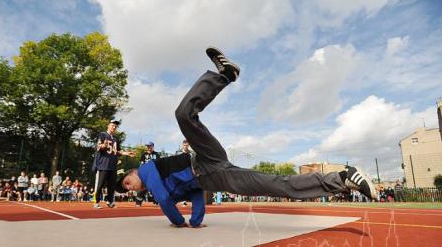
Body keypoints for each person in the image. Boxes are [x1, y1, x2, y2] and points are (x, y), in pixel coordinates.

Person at [118, 46, 377, 228]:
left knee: (184, 115)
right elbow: (195, 193)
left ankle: (225, 75)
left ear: (132, 173)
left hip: (204, 158)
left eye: (127, 183)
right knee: (276, 185)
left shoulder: (146, 170)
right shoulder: (158, 189)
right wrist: (195, 221)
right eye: (127, 190)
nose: (129, 189)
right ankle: (344, 178)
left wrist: (177, 221)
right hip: (216, 176)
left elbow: (164, 200)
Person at [92, 119, 135, 209]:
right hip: (102, 165)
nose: (114, 127)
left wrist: (127, 153)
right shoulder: (102, 134)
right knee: (100, 184)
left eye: (115, 126)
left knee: (111, 185)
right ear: (108, 125)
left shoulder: (115, 139)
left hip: (113, 165)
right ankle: (96, 202)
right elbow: (98, 146)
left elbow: (118, 151)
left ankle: (110, 201)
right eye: (112, 125)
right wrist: (103, 146)